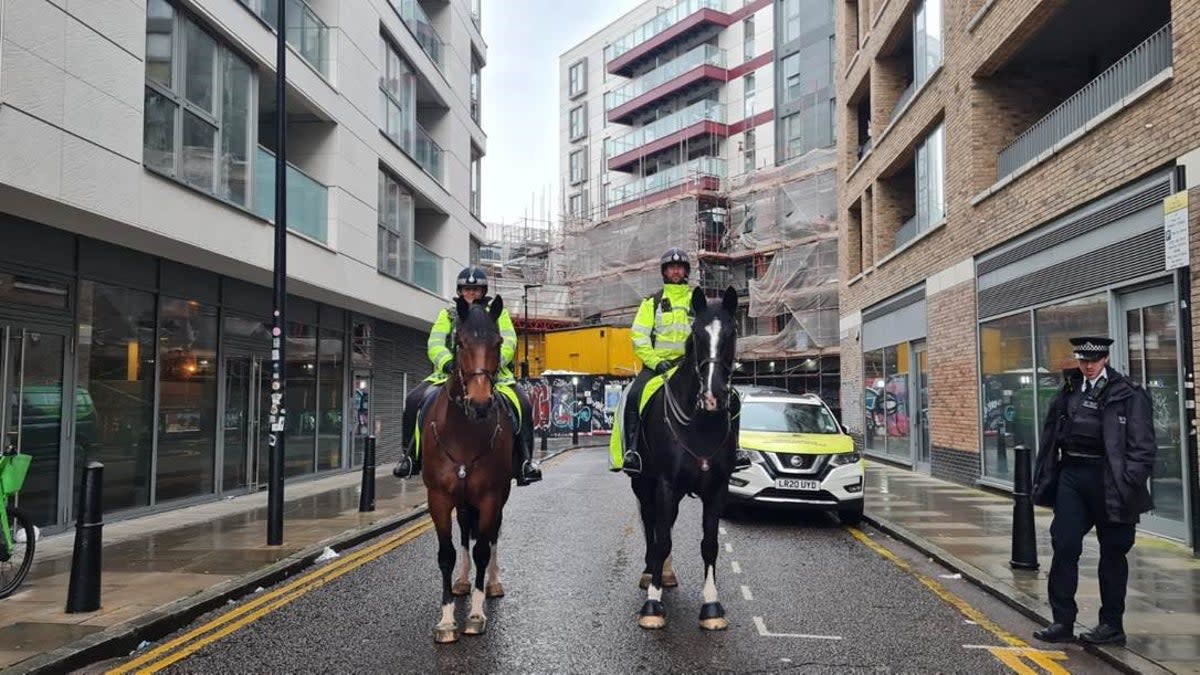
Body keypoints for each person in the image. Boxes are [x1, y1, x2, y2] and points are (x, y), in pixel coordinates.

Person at [1031, 336, 1156, 645]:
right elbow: (1050, 437)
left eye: (1094, 360)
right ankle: (1062, 622)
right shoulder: (1068, 390)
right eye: (1083, 360)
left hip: (1111, 479)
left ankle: (1112, 625)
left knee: (1113, 553)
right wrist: (1045, 476)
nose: (1088, 366)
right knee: (1065, 546)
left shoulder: (1129, 394)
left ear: (1105, 359)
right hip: (1073, 476)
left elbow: (1143, 447)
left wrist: (1130, 480)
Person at [394, 266, 542, 485]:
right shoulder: (449, 314)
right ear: (460, 290)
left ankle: (525, 462)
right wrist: (448, 363)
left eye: (476, 289)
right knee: (414, 400)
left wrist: (491, 364)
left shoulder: (497, 313)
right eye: (466, 289)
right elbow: (434, 342)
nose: (471, 293)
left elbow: (509, 341)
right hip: (449, 375)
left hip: (494, 376)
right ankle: (410, 458)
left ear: (483, 291)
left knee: (523, 403)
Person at [612, 247, 695, 475]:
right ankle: (632, 451)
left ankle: (733, 451)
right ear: (664, 272)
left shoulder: (696, 300)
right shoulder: (652, 302)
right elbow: (639, 336)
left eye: (679, 267)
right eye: (671, 267)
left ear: (685, 271)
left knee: (728, 396)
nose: (676, 271)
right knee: (634, 395)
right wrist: (656, 362)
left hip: (690, 367)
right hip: (659, 367)